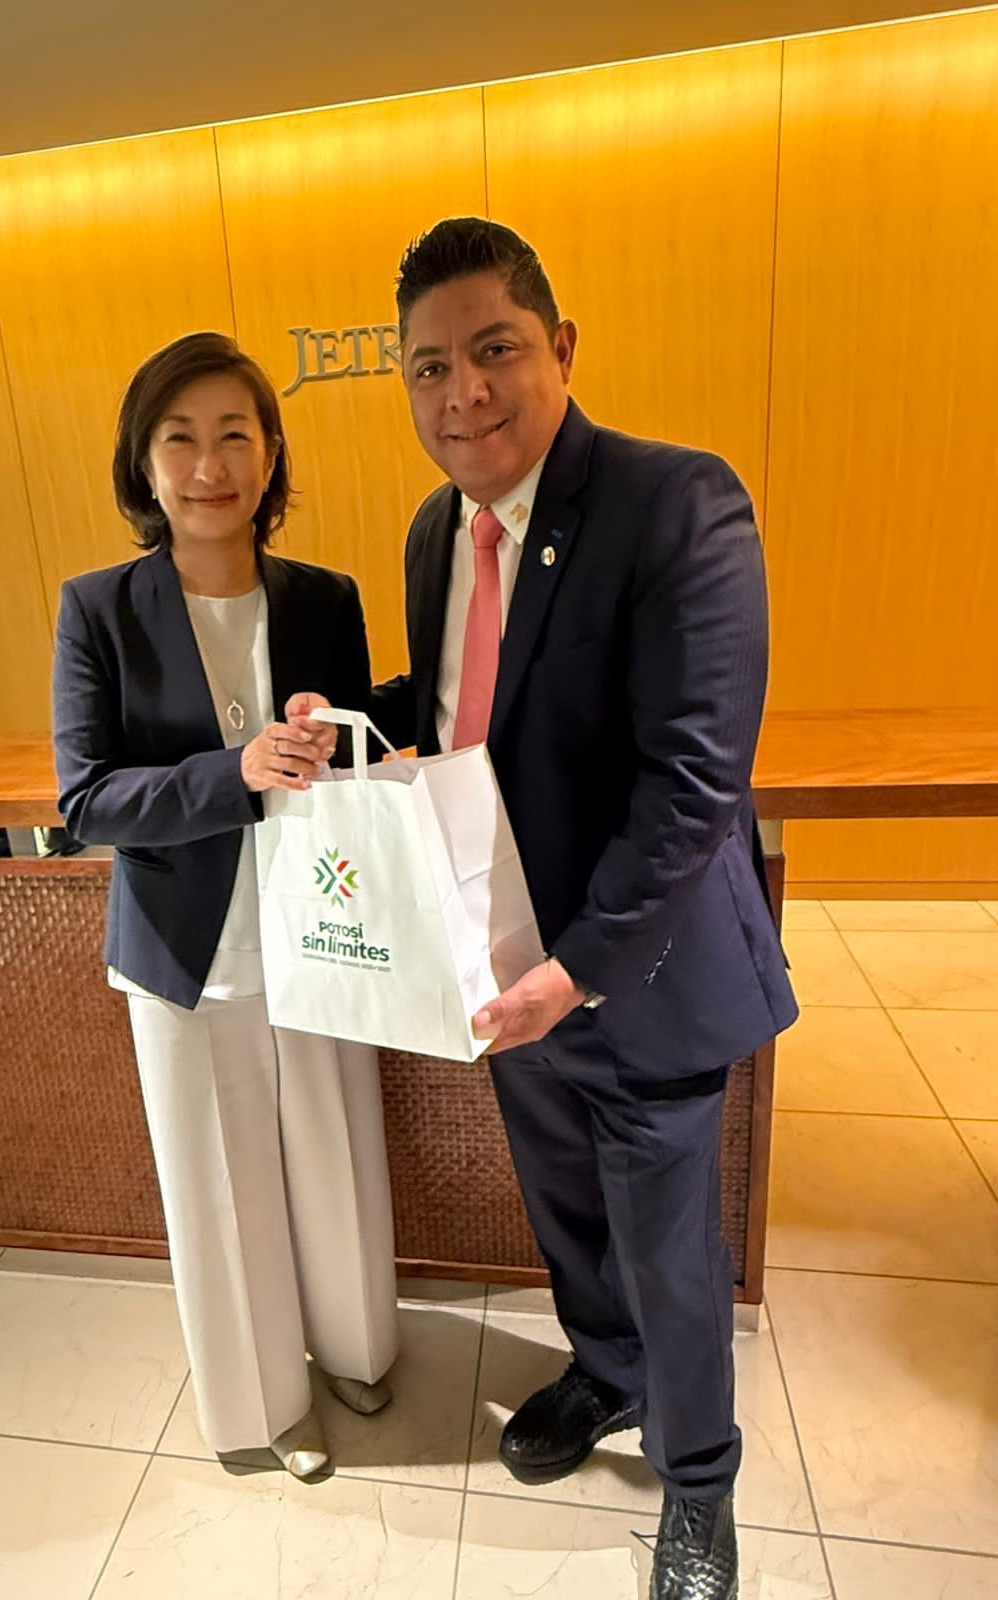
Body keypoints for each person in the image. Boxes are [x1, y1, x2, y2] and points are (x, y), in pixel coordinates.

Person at [368, 219, 798, 1599]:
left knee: (669, 1245)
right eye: (429, 367)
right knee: (565, 1208)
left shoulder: (677, 502)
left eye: (493, 349)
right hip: (504, 962)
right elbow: (465, 704)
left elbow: (694, 779)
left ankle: (698, 1484)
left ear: (559, 345)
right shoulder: (437, 532)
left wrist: (580, 967)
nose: (464, 393)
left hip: (638, 968)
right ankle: (606, 1372)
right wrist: (349, 719)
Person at [52, 332, 399, 1479]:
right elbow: (86, 799)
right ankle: (263, 1405)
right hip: (185, 954)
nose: (211, 465)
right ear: (144, 464)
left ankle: (357, 1348)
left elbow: (357, 767)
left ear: (272, 452)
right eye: (182, 439)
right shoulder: (99, 609)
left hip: (321, 934)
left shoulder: (325, 598)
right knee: (222, 1180)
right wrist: (235, 771)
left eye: (236, 435)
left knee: (337, 1152)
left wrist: (330, 740)